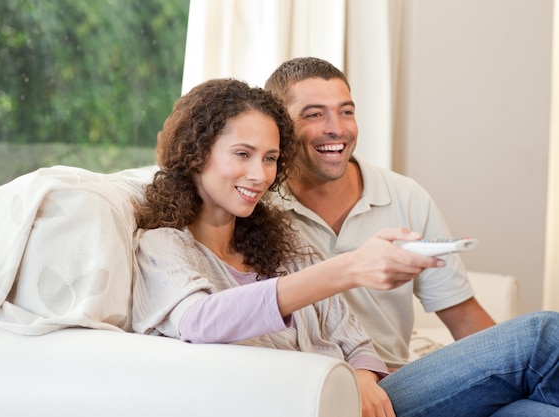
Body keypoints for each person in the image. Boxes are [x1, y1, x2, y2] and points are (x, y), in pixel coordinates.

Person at [131, 78, 559, 417]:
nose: (259, 174)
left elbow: (352, 339)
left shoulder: (278, 242)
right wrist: (349, 268)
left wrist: (362, 377)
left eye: (269, 158)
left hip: (363, 400)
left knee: (531, 412)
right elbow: (200, 322)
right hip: (307, 406)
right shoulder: (162, 245)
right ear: (196, 154)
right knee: (540, 334)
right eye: (242, 154)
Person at [264, 57, 495, 368]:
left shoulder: (405, 196)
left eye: (346, 112)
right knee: (542, 332)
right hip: (314, 384)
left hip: (399, 382)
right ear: (279, 127)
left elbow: (464, 319)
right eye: (314, 114)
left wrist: (513, 366)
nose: (336, 129)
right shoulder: (258, 207)